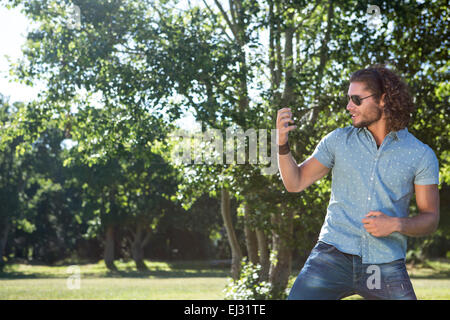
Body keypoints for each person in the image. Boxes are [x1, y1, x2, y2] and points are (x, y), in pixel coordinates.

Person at [277, 66, 440, 300]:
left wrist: (396, 224)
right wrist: (282, 145)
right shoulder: (337, 141)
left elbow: (430, 219)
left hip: (384, 262)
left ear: (383, 100)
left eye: (356, 99)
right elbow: (295, 182)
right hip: (332, 256)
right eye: (348, 99)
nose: (348, 107)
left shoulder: (420, 155)